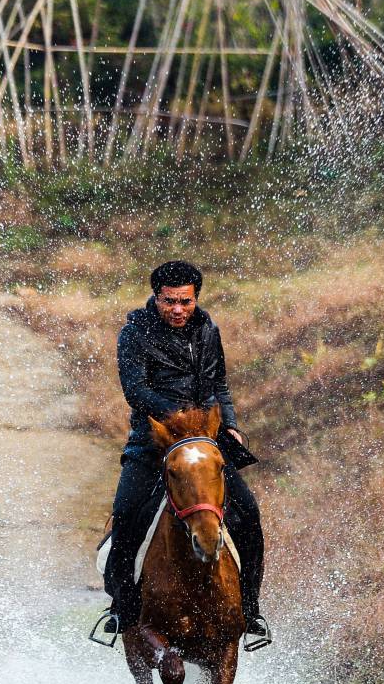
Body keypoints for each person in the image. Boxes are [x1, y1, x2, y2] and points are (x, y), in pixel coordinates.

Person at [102, 259, 269, 639]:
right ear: (156, 297)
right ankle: (122, 609)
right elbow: (135, 390)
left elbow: (219, 385)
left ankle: (250, 610)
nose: (178, 310)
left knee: (250, 517)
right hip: (154, 439)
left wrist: (230, 424)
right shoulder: (134, 332)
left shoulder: (208, 328)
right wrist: (177, 420)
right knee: (126, 515)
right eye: (170, 301)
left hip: (206, 439)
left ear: (196, 299)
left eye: (186, 302)